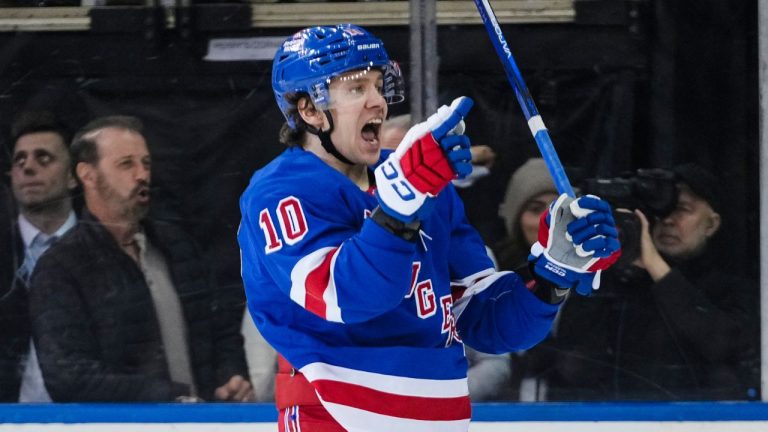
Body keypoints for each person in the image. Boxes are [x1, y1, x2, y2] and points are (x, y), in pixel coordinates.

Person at [238, 23, 620, 431]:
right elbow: (346, 296)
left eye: (378, 85)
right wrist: (401, 203)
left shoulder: (419, 183)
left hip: (439, 416)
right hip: (335, 416)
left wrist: (551, 276)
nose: (377, 102)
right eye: (355, 89)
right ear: (309, 111)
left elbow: (482, 319)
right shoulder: (281, 191)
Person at [29, 115, 254, 402]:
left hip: (202, 422)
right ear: (88, 174)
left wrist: (231, 377)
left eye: (145, 163)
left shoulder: (178, 247)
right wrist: (167, 397)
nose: (142, 175)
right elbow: (68, 376)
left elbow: (221, 330)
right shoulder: (61, 266)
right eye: (126, 164)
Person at [548, 163, 760, 401]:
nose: (668, 220)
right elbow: (572, 369)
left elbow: (724, 346)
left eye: (682, 209)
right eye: (659, 210)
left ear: (711, 224)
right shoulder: (619, 283)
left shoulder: (735, 289)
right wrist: (598, 264)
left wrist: (656, 265)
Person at [0, 112, 77, 402]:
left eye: (43, 158)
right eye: (19, 161)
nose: (28, 168)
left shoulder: (106, 249)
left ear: (73, 175)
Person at [494, 157, 560, 401]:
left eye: (557, 209)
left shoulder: (593, 279)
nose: (548, 220)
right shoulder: (490, 274)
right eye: (535, 209)